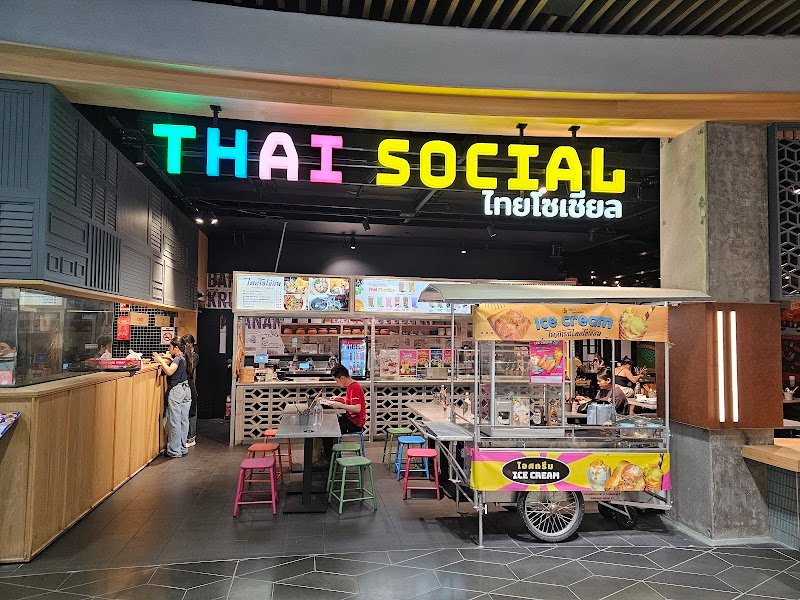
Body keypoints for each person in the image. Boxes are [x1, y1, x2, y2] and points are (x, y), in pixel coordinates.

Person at [152, 338, 191, 458]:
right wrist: (166, 356)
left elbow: (169, 371)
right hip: (186, 389)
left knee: (174, 421)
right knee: (184, 420)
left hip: (177, 391)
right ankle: (182, 448)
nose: (169, 349)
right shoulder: (185, 357)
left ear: (176, 348)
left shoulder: (178, 358)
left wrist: (160, 360)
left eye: (170, 347)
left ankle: (174, 450)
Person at [319, 364, 366, 461]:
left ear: (342, 378)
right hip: (351, 419)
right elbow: (351, 402)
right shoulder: (352, 386)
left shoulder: (354, 387)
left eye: (336, 380)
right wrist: (340, 399)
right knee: (330, 423)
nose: (336, 383)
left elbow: (357, 408)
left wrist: (339, 405)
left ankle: (329, 459)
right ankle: (334, 455)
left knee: (327, 430)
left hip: (355, 423)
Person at [182, 334, 199, 447]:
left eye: (186, 344)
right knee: (185, 412)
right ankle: (185, 436)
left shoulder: (194, 356)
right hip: (184, 385)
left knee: (191, 412)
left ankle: (191, 438)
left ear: (191, 344)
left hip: (190, 384)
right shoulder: (183, 355)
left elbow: (190, 368)